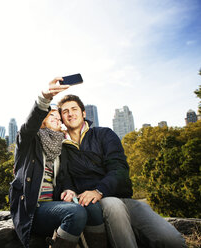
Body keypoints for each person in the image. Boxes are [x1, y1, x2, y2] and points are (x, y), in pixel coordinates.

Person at [56, 94, 186, 248]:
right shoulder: (61, 147)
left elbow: (119, 168)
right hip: (95, 205)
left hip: (122, 197)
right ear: (62, 118)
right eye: (65, 112)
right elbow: (64, 177)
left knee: (172, 240)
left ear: (83, 113)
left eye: (74, 109)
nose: (70, 114)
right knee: (112, 205)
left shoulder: (104, 134)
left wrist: (99, 190)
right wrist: (69, 189)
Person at [9, 78, 106, 248]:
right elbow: (31, 123)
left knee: (92, 207)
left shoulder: (61, 146)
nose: (57, 119)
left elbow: (65, 177)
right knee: (76, 213)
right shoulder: (28, 140)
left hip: (54, 204)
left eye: (58, 117)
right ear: (43, 120)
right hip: (32, 209)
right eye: (51, 115)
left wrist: (68, 189)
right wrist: (45, 97)